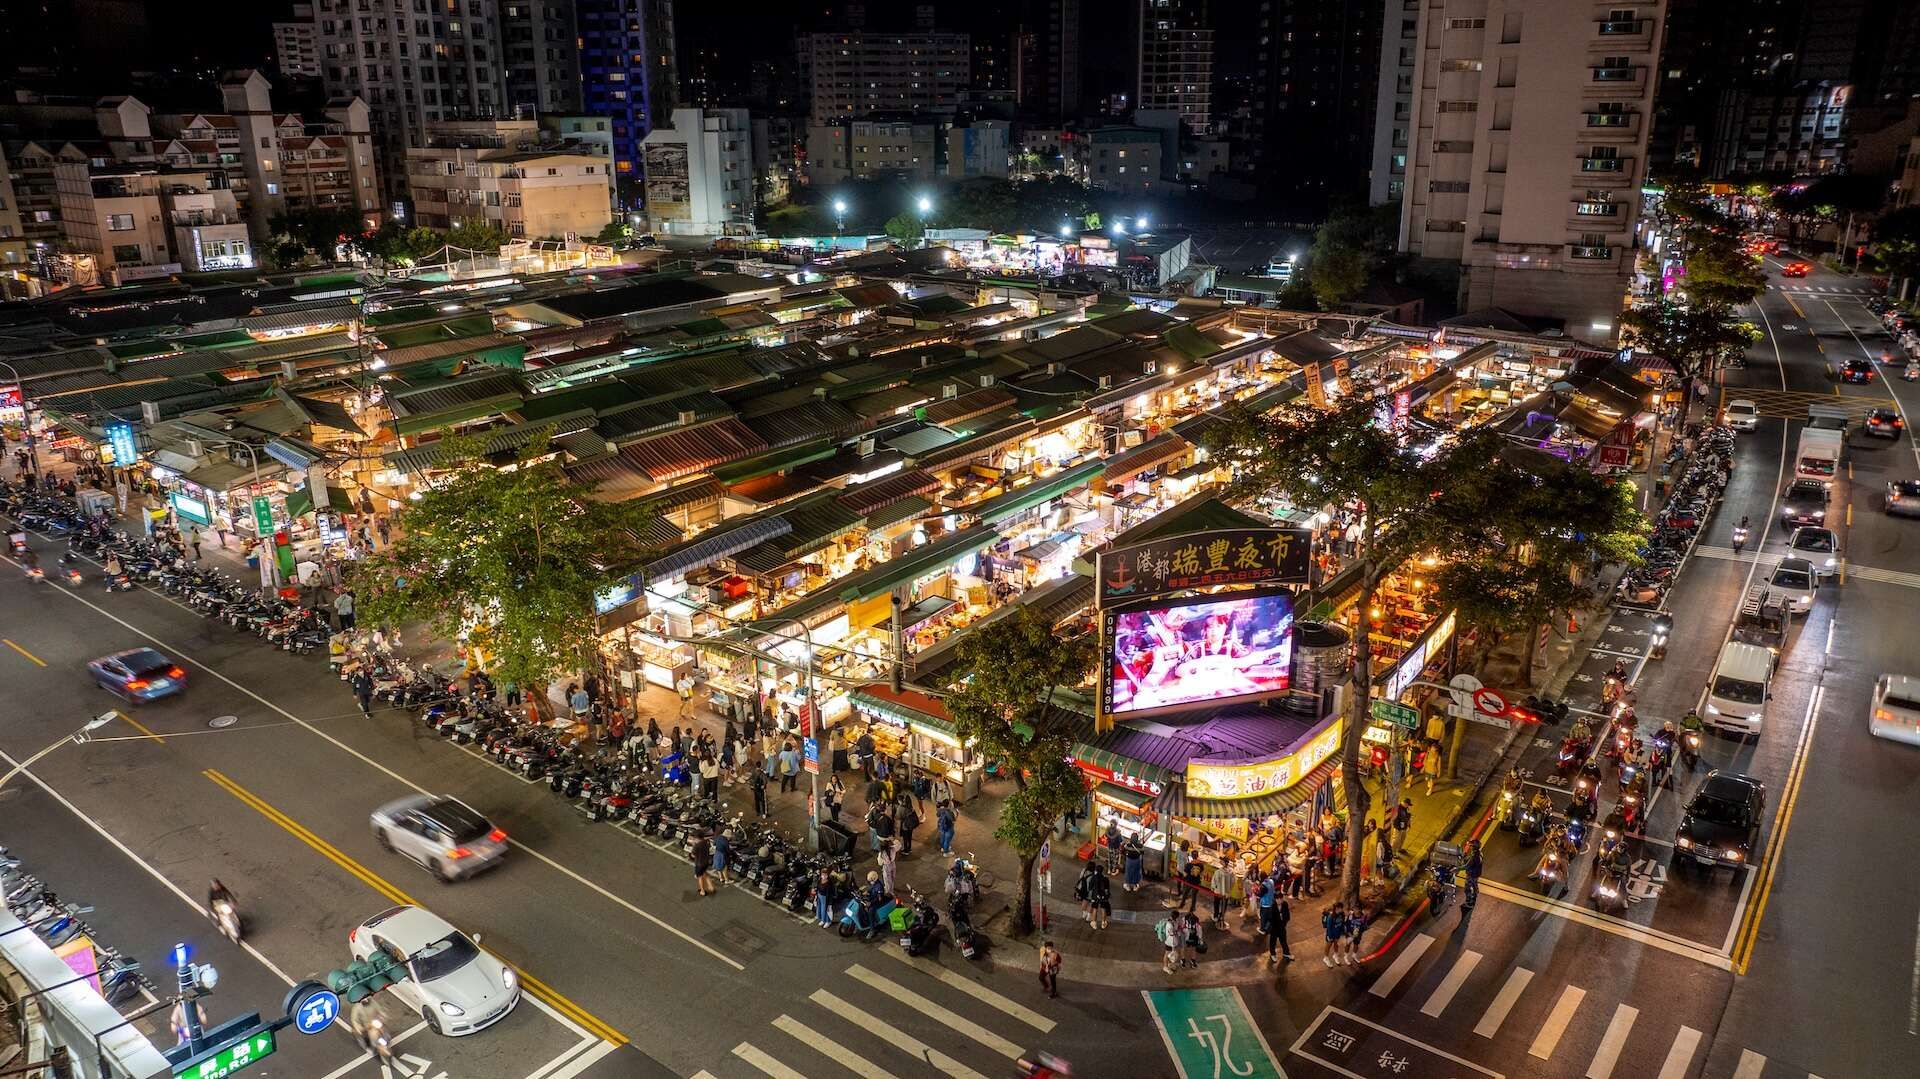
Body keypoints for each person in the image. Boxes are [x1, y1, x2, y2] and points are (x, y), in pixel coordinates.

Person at [1208, 860, 1233, 928]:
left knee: (1216, 903)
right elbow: (1233, 881)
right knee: (1224, 905)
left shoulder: (1218, 872)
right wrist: (1229, 888)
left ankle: (1216, 916)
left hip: (1218, 891)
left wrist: (1213, 888)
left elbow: (1214, 881)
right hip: (1226, 892)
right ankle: (1222, 916)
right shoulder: (1231, 872)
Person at [1322, 902, 1347, 967]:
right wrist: (1330, 936)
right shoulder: (1331, 916)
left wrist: (1342, 933)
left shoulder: (1342, 914)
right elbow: (1329, 927)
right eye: (1341, 908)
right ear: (1337, 908)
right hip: (1331, 934)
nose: (1342, 909)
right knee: (1329, 945)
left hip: (1337, 933)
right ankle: (1325, 958)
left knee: (1336, 944)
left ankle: (1335, 955)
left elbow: (1342, 923)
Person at [690, 832, 714, 897]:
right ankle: (710, 886)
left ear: (697, 838)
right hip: (706, 862)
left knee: (700, 877)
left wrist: (693, 845)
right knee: (705, 873)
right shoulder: (706, 842)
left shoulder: (697, 846)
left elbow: (693, 855)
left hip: (699, 864)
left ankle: (702, 890)